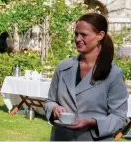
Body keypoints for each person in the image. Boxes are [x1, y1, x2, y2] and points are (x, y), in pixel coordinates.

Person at [43, 13, 128, 141]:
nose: (78, 39)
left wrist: (92, 122)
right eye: (76, 34)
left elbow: (120, 118)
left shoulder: (113, 74)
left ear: (100, 35)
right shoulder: (63, 67)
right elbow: (49, 101)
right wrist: (54, 108)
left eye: (83, 35)